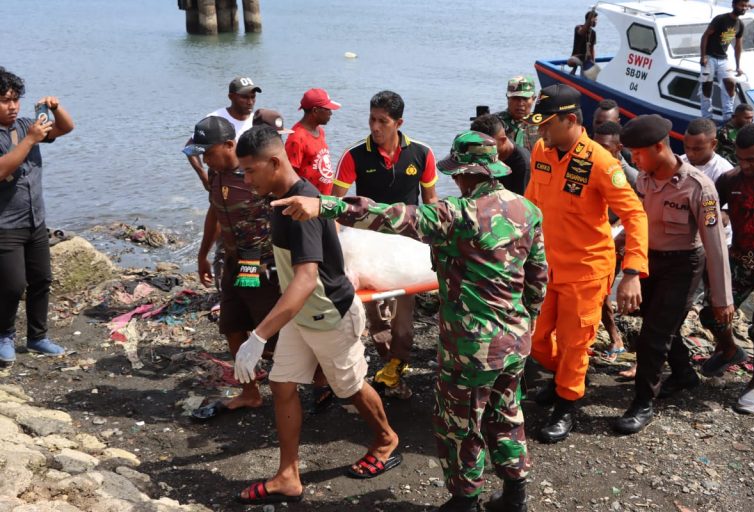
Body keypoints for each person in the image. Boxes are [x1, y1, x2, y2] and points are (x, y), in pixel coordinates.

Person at [274, 130, 548, 512]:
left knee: (460, 424)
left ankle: (464, 501)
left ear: (468, 174)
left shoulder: (458, 215)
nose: (455, 180)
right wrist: (527, 322)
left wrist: (325, 207)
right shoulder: (528, 210)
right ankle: (515, 495)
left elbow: (389, 216)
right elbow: (537, 279)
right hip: (516, 339)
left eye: (458, 174)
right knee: (507, 415)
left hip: (471, 347)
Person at [232, 125, 400, 506]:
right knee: (282, 383)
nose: (245, 178)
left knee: (350, 386)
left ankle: (387, 439)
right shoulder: (278, 196)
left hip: (328, 313)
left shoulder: (303, 203)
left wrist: (258, 337)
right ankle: (288, 475)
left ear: (275, 162)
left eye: (249, 170)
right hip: (299, 315)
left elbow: (307, 279)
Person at [524, 84, 649, 443]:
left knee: (575, 342)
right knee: (535, 339)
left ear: (571, 120)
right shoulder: (541, 151)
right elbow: (532, 201)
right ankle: (565, 376)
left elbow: (635, 215)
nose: (541, 131)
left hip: (587, 269)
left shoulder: (602, 163)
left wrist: (632, 273)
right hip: (546, 264)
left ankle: (566, 404)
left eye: (547, 124)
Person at [613, 115, 733, 435]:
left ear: (659, 146)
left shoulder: (698, 186)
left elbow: (716, 246)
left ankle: (642, 402)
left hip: (683, 265)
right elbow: (636, 220)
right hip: (650, 261)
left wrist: (722, 299)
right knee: (659, 324)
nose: (633, 160)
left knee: (653, 336)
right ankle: (683, 375)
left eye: (638, 154)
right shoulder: (645, 178)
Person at [332, 90, 438, 399]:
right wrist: (338, 254)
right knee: (377, 321)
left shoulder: (421, 153)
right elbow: (334, 207)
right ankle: (388, 367)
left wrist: (436, 250)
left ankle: (397, 368)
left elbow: (432, 205)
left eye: (383, 121)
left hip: (406, 252)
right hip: (366, 249)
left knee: (404, 324)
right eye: (371, 119)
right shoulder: (354, 156)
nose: (375, 127)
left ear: (398, 122)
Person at [185, 115, 290, 420]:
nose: (204, 159)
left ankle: (314, 382)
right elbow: (214, 212)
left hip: (257, 263)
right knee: (232, 325)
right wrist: (203, 253)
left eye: (208, 152)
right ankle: (250, 392)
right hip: (233, 261)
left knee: (270, 332)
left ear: (229, 145)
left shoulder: (256, 173)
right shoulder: (216, 175)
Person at [0, 68, 75, 366]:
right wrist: (30, 141)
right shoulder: (26, 134)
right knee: (12, 285)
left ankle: (37, 337)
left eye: (16, 99)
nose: (13, 106)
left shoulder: (26, 125)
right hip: (5, 224)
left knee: (41, 279)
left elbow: (65, 129)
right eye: (5, 100)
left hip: (35, 219)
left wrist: (56, 109)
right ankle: (4, 335)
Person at [699, 124, 754, 414]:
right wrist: (721, 215)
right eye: (741, 158)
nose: (745, 165)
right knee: (710, 313)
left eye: (752, 159)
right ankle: (729, 350)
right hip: (739, 261)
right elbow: (713, 207)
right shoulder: (730, 180)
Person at [593, 121, 640, 363]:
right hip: (595, 239)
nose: (598, 151)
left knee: (606, 294)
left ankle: (616, 337)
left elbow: (638, 212)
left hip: (617, 241)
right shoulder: (589, 166)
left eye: (604, 147)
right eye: (595, 145)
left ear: (618, 147)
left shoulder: (629, 176)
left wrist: (616, 227)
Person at [183, 76, 261, 191]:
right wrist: (203, 177)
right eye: (244, 97)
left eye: (253, 97)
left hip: (248, 183)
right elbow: (190, 149)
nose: (250, 102)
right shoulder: (215, 119)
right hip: (220, 181)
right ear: (231, 97)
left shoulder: (258, 121)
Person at [682, 117, 735, 244]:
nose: (690, 153)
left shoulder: (725, 172)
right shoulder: (680, 162)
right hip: (685, 241)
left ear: (713, 144)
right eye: (687, 147)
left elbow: (724, 217)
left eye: (696, 149)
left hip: (717, 242)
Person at [284, 88, 340, 195]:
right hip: (308, 201)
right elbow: (289, 176)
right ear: (315, 111)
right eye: (327, 109)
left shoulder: (320, 131)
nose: (331, 113)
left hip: (324, 200)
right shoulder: (296, 138)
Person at [699, 0, 748, 120]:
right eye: (742, 5)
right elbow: (705, 36)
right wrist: (703, 56)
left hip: (723, 59)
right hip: (709, 57)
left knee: (730, 83)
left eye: (746, 6)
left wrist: (738, 66)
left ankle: (727, 116)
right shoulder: (720, 19)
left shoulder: (740, 24)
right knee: (707, 86)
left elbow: (738, 46)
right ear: (733, 5)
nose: (744, 8)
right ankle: (707, 117)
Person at [470, 113, 531, 194]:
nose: (483, 151)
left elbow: (520, 203)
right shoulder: (483, 155)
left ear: (502, 141)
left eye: (487, 147)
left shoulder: (523, 165)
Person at [493, 76, 540, 152]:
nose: (520, 103)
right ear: (508, 98)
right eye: (515, 98)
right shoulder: (495, 123)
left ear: (533, 99)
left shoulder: (541, 125)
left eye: (525, 98)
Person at [567, 10, 598, 75]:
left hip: (586, 59)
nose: (596, 22)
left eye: (596, 20)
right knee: (570, 62)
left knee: (587, 75)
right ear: (589, 20)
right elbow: (581, 33)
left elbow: (592, 49)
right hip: (577, 57)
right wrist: (589, 19)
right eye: (594, 20)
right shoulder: (578, 28)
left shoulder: (593, 33)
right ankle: (574, 69)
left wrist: (593, 63)